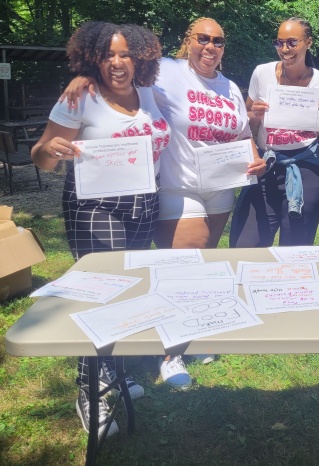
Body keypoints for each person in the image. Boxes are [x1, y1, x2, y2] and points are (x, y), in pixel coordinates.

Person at [61, 18, 266, 391]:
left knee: (202, 264)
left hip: (221, 188)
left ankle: (188, 332)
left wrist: (254, 157)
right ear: (187, 41)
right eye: (202, 38)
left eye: (218, 41)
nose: (210, 46)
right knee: (179, 268)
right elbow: (119, 73)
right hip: (177, 185)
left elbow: (242, 132)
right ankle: (169, 353)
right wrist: (86, 78)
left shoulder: (231, 87)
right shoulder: (167, 72)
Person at [32, 21, 169, 438]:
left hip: (144, 203)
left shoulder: (148, 94)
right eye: (108, 54)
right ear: (93, 58)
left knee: (128, 290)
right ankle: (89, 391)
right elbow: (41, 153)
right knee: (100, 294)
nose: (117, 62)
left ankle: (115, 370)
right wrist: (49, 152)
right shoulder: (81, 97)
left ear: (139, 57)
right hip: (96, 206)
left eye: (125, 53)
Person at [229, 17, 319, 247]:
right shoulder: (261, 73)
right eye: (279, 43)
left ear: (308, 42)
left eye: (292, 42)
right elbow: (247, 125)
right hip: (266, 164)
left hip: (307, 167)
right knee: (246, 247)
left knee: (294, 249)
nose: (284, 49)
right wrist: (254, 115)